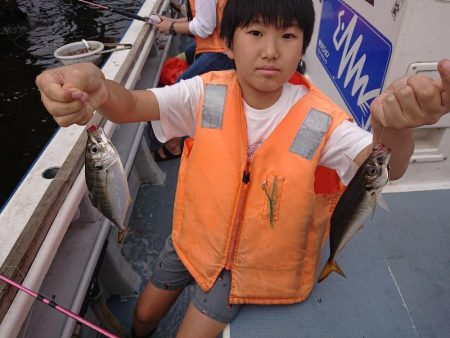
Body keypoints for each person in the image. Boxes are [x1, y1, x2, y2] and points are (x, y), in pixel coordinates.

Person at [35, 0, 450, 337]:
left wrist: (395, 126)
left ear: (302, 46)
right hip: (190, 241)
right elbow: (131, 106)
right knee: (143, 316)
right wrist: (98, 86)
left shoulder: (324, 119)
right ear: (229, 44)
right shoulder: (203, 92)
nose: (271, 50)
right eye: (255, 33)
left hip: (247, 270)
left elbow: (383, 167)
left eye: (287, 36)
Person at [149, 0, 234, 161]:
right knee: (187, 59)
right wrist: (172, 22)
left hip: (222, 50)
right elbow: (205, 18)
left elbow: (204, 27)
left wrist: (172, 27)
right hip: (224, 40)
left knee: (181, 88)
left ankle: (173, 146)